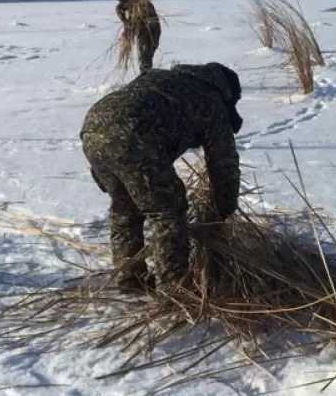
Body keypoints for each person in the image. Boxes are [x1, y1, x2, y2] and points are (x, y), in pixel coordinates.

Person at [79, 62, 243, 292]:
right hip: (134, 135)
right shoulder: (211, 101)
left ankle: (129, 278)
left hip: (92, 127)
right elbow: (224, 163)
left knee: (125, 207)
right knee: (167, 210)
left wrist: (110, 182)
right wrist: (222, 210)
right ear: (228, 94)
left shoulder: (162, 78)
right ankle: (173, 288)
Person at [115, 0, 161, 73]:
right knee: (144, 55)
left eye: (124, 1)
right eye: (121, 1)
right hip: (141, 31)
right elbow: (119, 9)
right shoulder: (127, 4)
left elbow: (149, 23)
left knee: (146, 54)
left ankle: (146, 74)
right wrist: (125, 21)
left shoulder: (144, 5)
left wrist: (133, 25)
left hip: (151, 32)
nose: (122, 3)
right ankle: (145, 72)